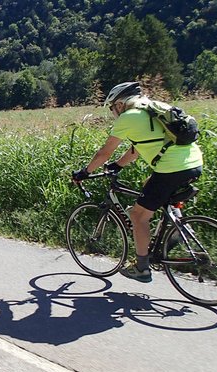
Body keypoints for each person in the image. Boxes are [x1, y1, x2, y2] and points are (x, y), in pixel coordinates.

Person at [71, 82, 203, 283]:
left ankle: (142, 268)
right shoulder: (153, 108)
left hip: (171, 168)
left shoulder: (128, 117)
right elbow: (141, 146)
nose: (113, 112)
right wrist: (118, 165)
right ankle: (178, 225)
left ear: (121, 104)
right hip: (193, 162)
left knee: (137, 214)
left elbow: (104, 152)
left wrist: (84, 172)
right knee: (149, 185)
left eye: (113, 107)